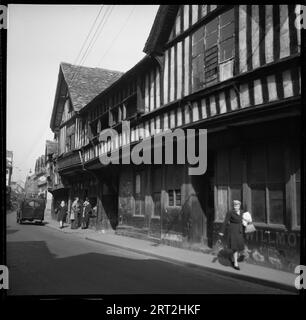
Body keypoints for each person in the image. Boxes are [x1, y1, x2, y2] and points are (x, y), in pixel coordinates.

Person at [219, 200, 245, 270]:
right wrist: (222, 231)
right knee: (235, 247)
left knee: (239, 246)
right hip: (232, 231)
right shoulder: (230, 212)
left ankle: (232, 258)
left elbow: (245, 220)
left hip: (240, 231)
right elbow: (225, 222)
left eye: (237, 205)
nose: (236, 207)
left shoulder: (242, 212)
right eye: (235, 205)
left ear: (239, 206)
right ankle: (235, 263)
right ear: (233, 206)